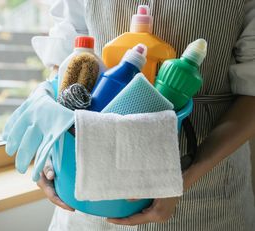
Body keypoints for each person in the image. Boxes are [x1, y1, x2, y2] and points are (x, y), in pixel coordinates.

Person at [31, 0, 255, 230]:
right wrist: (51, 144)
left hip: (205, 197)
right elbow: (69, 61)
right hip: (83, 188)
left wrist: (184, 175)